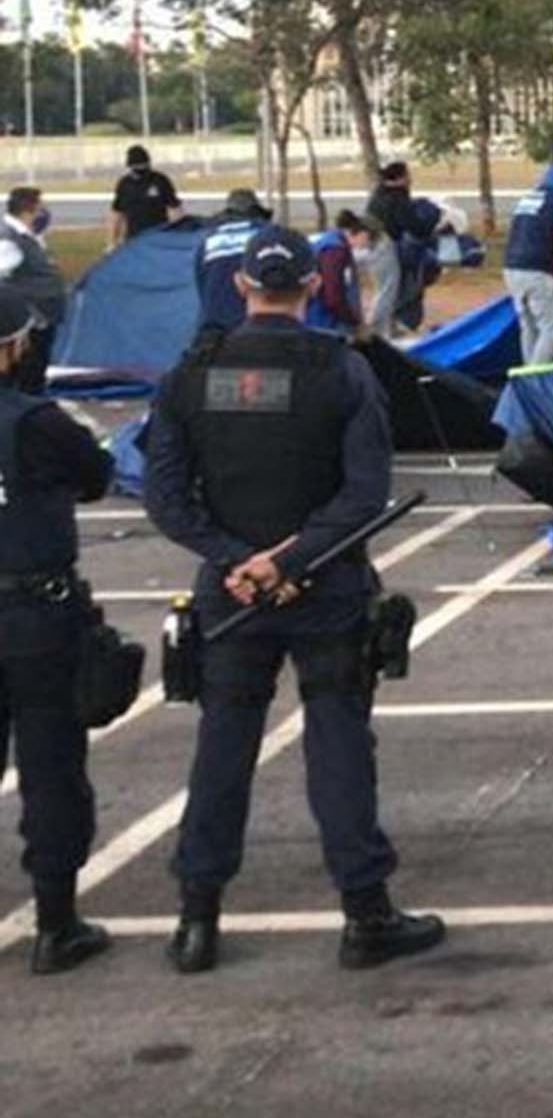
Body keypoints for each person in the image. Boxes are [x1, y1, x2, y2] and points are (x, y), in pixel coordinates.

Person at [144, 225, 445, 973]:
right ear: (313, 286)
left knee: (223, 748)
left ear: (242, 286)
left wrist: (237, 560)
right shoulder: (340, 371)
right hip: (326, 585)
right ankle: (365, 913)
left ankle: (197, 917)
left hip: (233, 592)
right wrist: (294, 559)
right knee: (339, 746)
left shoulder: (191, 372)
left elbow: (165, 498)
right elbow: (365, 494)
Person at [0, 288, 118, 975]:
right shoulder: (36, 421)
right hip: (35, 611)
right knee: (50, 769)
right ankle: (56, 921)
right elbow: (97, 474)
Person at [502, 163, 553, 366]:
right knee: (552, 328)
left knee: (528, 326)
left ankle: (528, 373)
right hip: (538, 272)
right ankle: (535, 377)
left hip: (511, 268)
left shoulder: (527, 199)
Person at [0, 188, 67, 395]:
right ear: (28, 210)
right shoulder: (9, 240)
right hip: (31, 319)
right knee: (29, 372)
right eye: (40, 208)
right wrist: (28, 313)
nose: (43, 213)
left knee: (37, 367)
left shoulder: (28, 235)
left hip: (43, 314)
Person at [193, 188, 273, 341]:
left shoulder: (209, 239)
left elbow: (201, 284)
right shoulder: (267, 235)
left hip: (213, 328)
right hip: (257, 326)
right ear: (256, 211)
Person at [364, 161, 430, 338]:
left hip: (372, 244)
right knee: (388, 290)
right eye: (407, 175)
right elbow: (411, 224)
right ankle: (374, 331)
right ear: (400, 178)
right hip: (384, 245)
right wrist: (428, 228)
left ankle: (387, 328)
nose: (410, 179)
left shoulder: (378, 194)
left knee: (385, 288)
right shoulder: (397, 198)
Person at [306, 212, 375, 335]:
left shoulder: (328, 241)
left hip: (318, 314)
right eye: (367, 240)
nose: (365, 245)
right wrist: (351, 318)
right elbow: (333, 290)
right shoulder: (336, 251)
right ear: (361, 234)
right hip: (327, 320)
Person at [109, 144, 182, 247]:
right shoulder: (125, 184)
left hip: (158, 238)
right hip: (133, 239)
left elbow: (175, 209)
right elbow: (117, 214)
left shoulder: (160, 181)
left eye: (143, 165)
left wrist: (177, 236)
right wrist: (113, 242)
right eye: (137, 166)